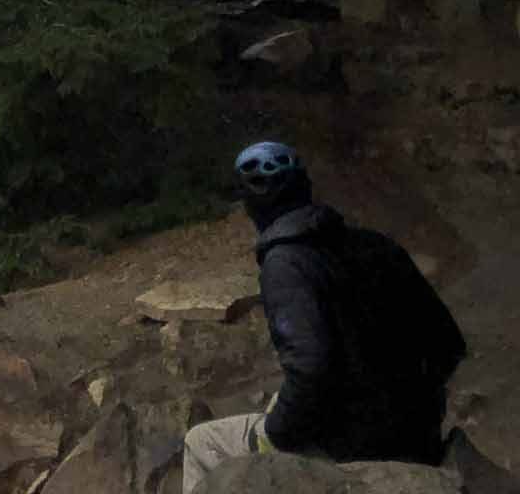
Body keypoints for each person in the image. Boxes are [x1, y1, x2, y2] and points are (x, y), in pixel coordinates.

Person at [182, 140, 466, 493]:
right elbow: (449, 345)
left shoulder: (285, 265)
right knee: (284, 400)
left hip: (347, 447)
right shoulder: (376, 245)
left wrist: (276, 434)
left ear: (251, 207)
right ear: (307, 188)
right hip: (417, 437)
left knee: (201, 441)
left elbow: (311, 368)